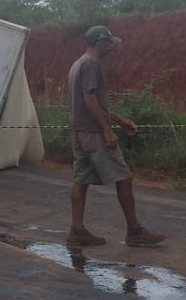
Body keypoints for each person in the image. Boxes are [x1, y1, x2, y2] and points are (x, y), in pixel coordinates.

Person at [67, 25, 165, 248]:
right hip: (94, 133)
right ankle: (135, 231)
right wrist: (108, 130)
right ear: (100, 42)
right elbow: (90, 101)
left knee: (81, 180)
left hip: (80, 132)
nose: (113, 47)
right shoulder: (91, 65)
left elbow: (92, 102)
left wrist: (120, 120)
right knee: (124, 177)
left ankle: (77, 231)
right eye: (110, 43)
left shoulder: (77, 64)